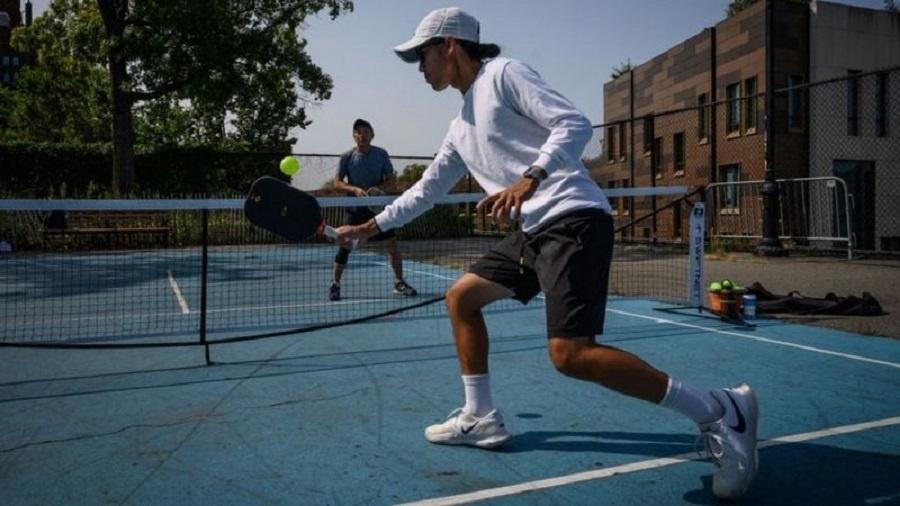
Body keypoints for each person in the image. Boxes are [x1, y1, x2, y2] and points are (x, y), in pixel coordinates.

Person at [335, 7, 758, 500]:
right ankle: (481, 416)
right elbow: (426, 192)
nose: (419, 67)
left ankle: (719, 409)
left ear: (449, 45)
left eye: (421, 55)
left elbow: (574, 125)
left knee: (570, 355)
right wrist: (372, 226)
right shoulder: (459, 126)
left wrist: (529, 177)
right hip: (533, 230)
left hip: (571, 217)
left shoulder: (504, 75)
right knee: (462, 299)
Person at [330, 118, 418, 301]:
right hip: (355, 209)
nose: (362, 135)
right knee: (345, 247)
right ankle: (335, 284)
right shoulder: (346, 157)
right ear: (354, 136)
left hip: (378, 208)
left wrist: (378, 190)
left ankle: (399, 282)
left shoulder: (381, 154)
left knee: (392, 245)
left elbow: (391, 180)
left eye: (366, 132)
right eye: (359, 132)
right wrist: (353, 189)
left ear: (372, 134)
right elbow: (336, 183)